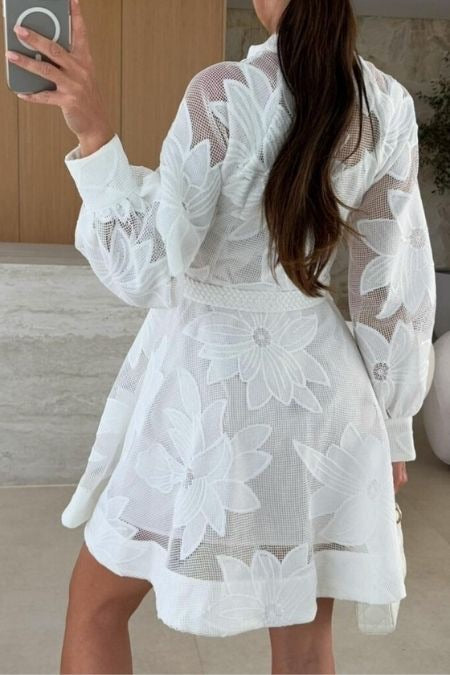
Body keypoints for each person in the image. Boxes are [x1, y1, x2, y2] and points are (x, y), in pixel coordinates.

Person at [8, 0, 436, 672]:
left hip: (205, 396)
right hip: (323, 399)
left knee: (96, 604)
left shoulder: (223, 93)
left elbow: (150, 265)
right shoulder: (387, 105)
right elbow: (390, 284)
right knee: (304, 646)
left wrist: (92, 131)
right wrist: (395, 426)